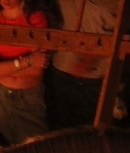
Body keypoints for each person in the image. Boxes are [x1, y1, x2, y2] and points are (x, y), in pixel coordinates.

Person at [0, 0, 54, 144]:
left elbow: (36, 71)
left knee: (33, 152)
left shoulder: (35, 19)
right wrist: (27, 61)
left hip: (28, 98)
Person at [46, 0, 119, 130]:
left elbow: (119, 33)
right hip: (62, 69)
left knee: (90, 136)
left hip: (94, 76)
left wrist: (87, 61)